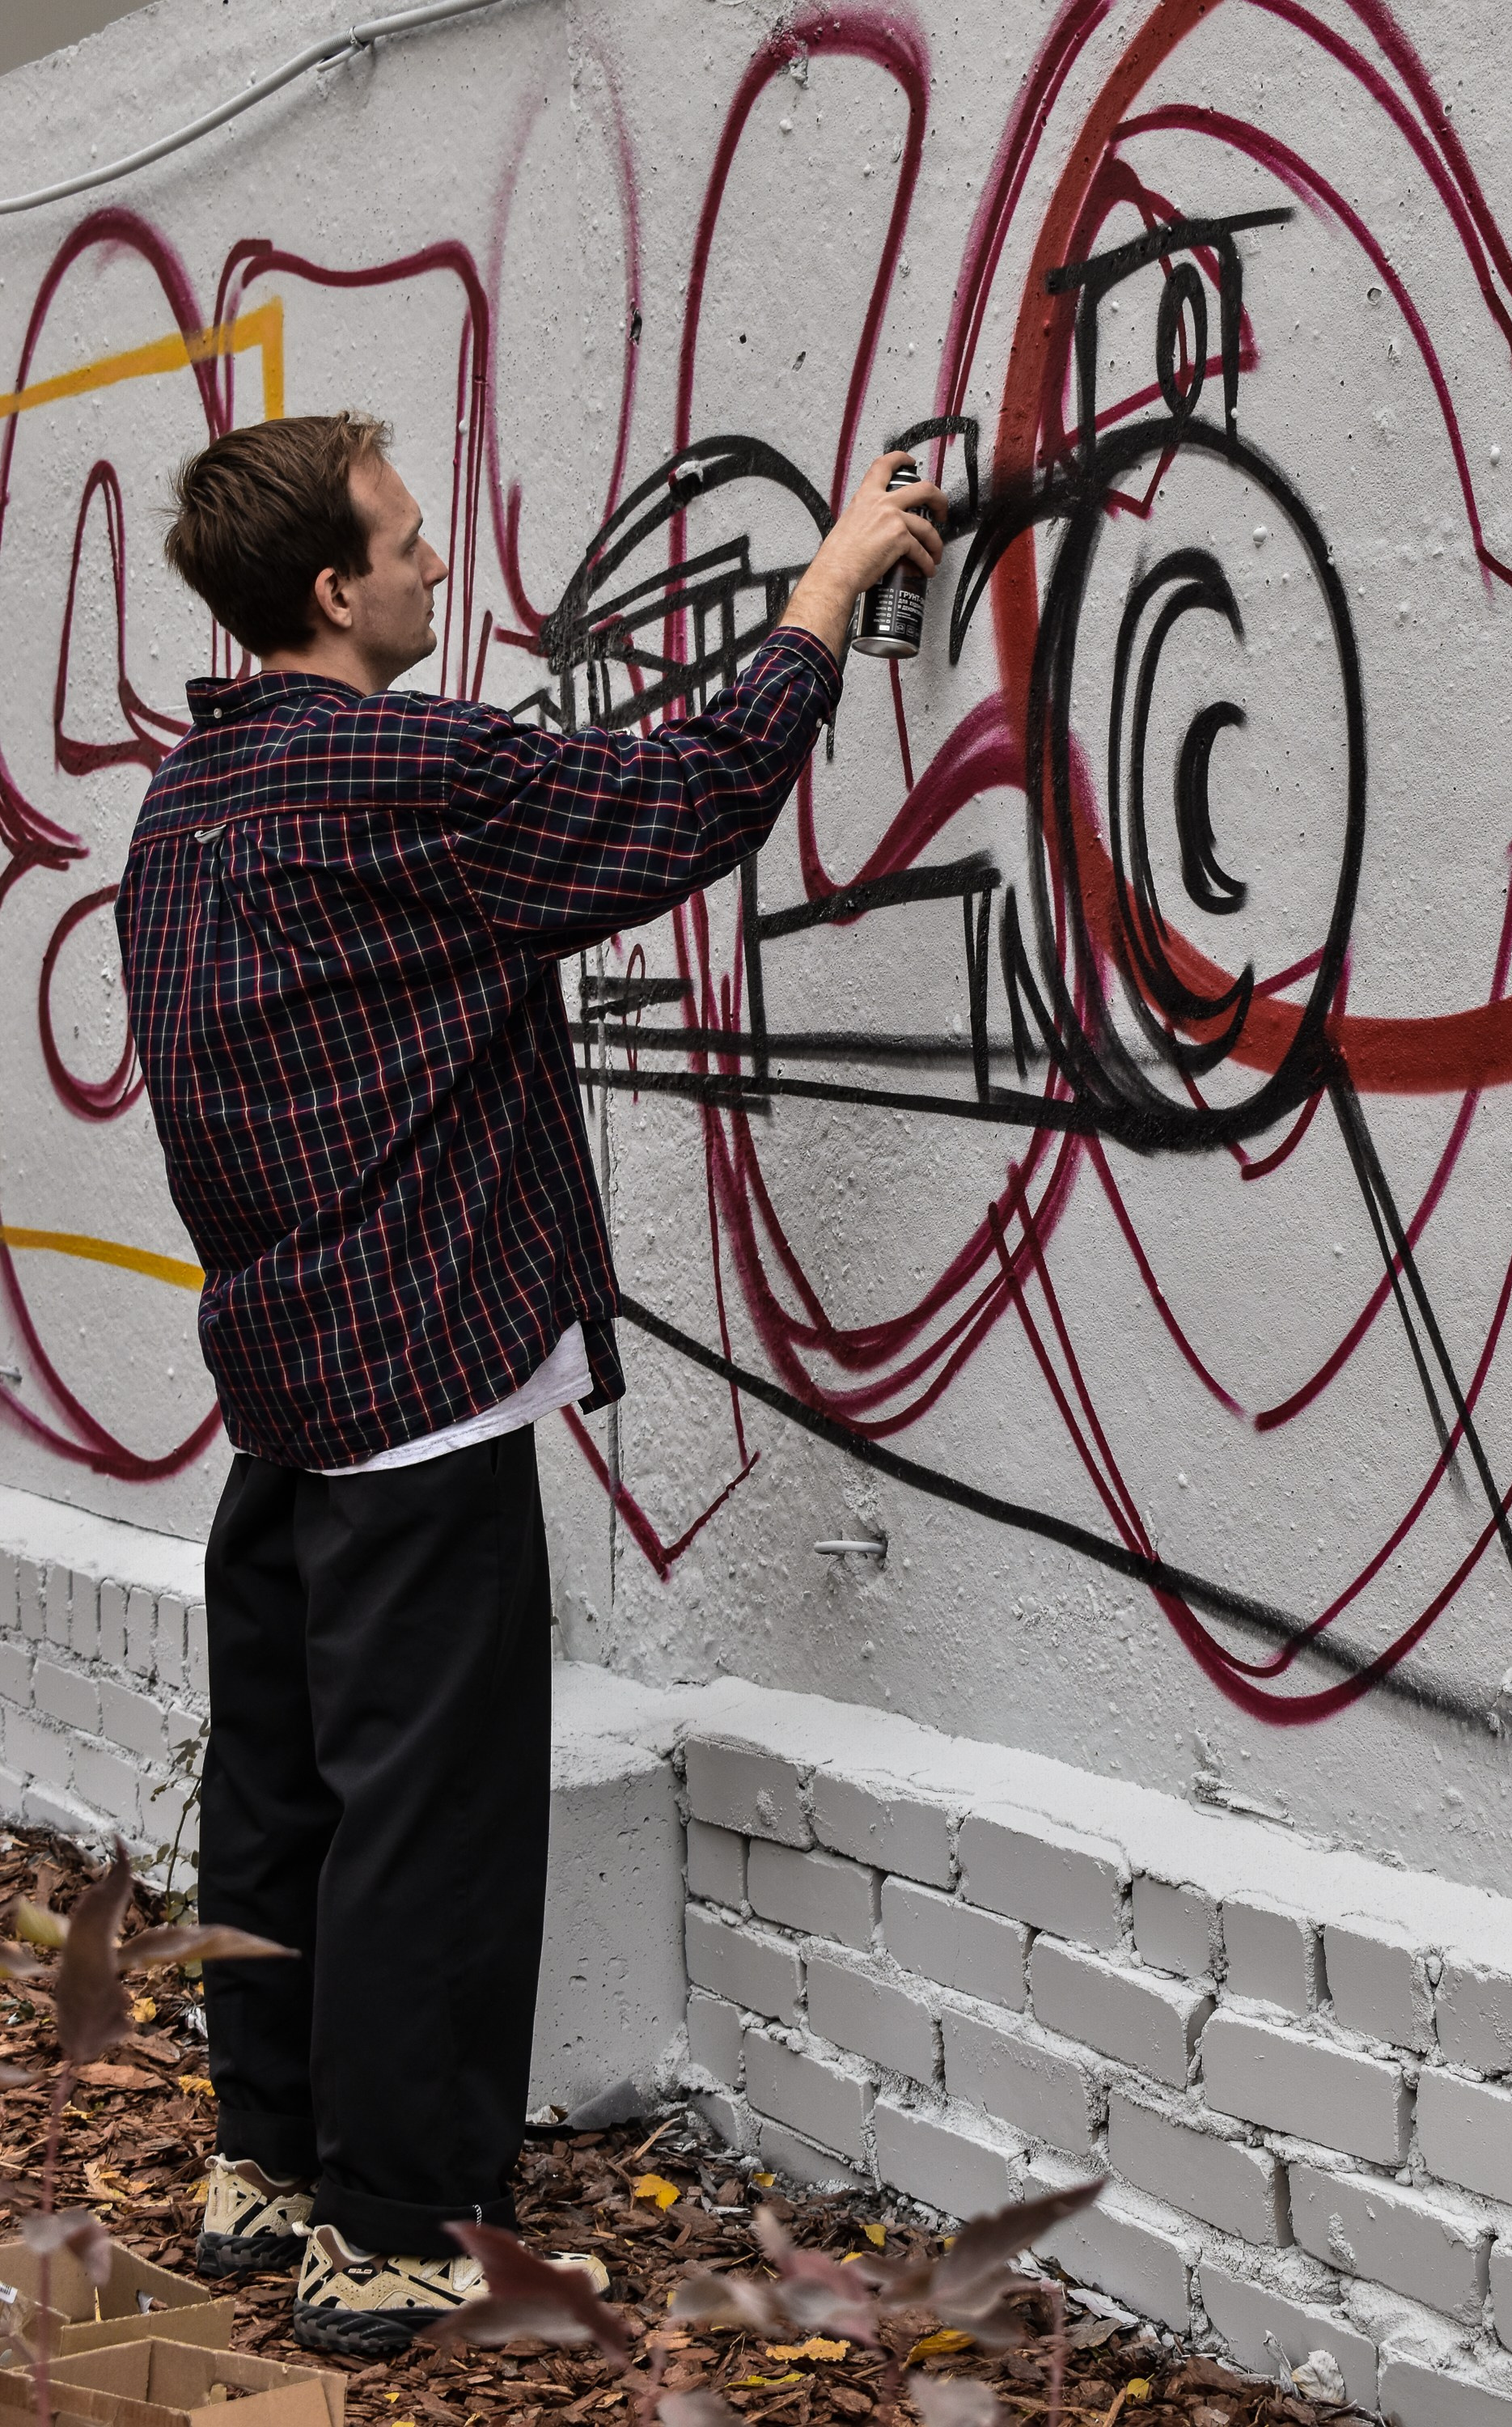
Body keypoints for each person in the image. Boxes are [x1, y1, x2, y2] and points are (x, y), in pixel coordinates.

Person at [116, 410, 945, 2357]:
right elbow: (677, 802)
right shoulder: (391, 769)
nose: (430, 566)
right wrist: (826, 588)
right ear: (330, 588)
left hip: (288, 1378)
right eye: (400, 543)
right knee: (429, 1811)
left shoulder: (190, 799)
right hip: (419, 1390)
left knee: (289, 1788)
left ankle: (269, 2162)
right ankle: (392, 2228)